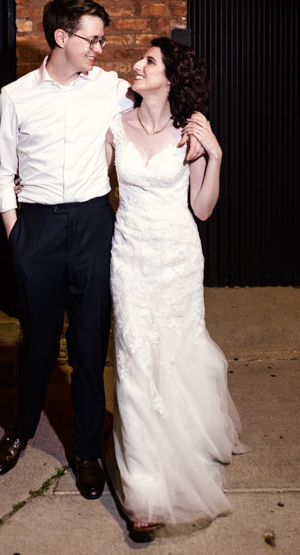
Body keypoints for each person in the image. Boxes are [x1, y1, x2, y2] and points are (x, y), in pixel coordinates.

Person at [0, 0, 201, 500]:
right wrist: (18, 237)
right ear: (62, 37)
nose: (101, 49)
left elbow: (161, 100)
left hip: (92, 224)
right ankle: (20, 432)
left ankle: (86, 451)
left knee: (88, 348)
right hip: (35, 228)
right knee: (37, 345)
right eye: (93, 39)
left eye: (102, 39)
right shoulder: (16, 96)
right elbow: (1, 175)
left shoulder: (111, 89)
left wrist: (197, 127)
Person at [105, 37, 247, 532]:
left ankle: (185, 445)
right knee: (135, 358)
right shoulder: (114, 127)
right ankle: (144, 485)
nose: (137, 66)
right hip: (129, 257)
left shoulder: (191, 133)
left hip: (179, 259)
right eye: (141, 60)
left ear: (170, 77)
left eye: (149, 61)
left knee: (176, 353)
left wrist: (217, 155)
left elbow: (203, 209)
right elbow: (89, 188)